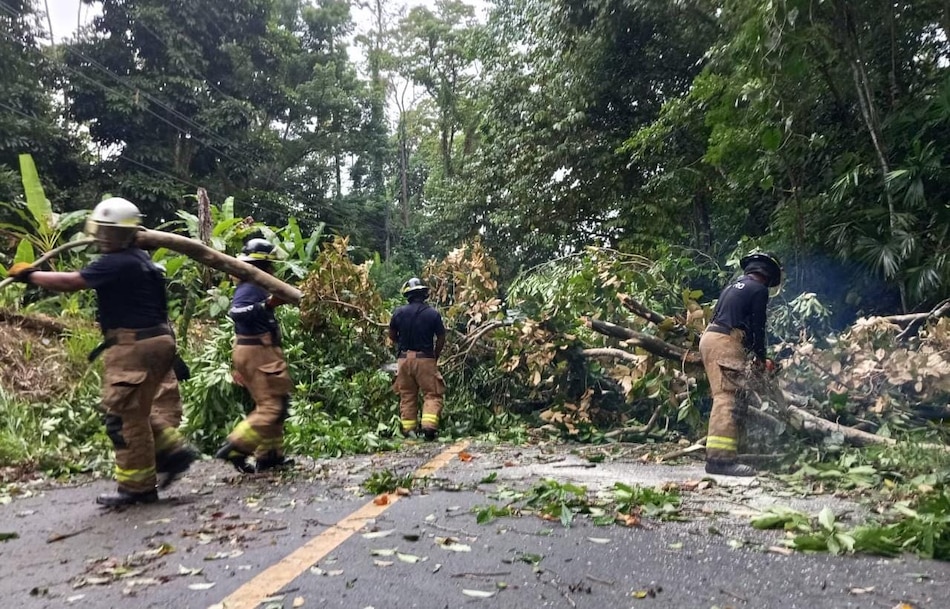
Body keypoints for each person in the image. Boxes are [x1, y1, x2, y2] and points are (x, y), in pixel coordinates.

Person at [7, 197, 197, 506]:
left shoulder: (117, 261)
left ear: (124, 234)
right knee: (136, 411)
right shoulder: (142, 260)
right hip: (159, 341)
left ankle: (137, 488)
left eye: (110, 232)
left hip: (134, 345)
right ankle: (173, 452)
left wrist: (30, 275)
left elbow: (72, 281)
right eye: (102, 231)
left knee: (122, 417)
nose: (103, 238)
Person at [699, 252, 782, 477]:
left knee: (739, 396)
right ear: (768, 275)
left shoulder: (733, 286)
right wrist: (761, 358)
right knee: (728, 396)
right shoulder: (759, 289)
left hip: (712, 337)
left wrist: (752, 354)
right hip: (725, 341)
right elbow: (758, 326)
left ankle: (735, 451)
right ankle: (719, 460)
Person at [215, 238, 294, 473]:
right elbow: (237, 312)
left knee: (275, 403)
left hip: (258, 351)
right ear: (264, 265)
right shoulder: (250, 286)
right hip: (258, 352)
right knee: (273, 407)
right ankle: (237, 446)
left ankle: (270, 457)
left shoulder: (255, 284)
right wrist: (268, 305)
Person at [388, 277, 446, 440]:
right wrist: (435, 356)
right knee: (432, 393)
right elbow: (441, 337)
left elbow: (392, 336)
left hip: (403, 360)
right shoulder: (433, 314)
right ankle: (428, 427)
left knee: (407, 394)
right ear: (424, 294)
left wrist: (403, 346)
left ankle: (409, 430)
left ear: (407, 295)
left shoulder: (398, 313)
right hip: (425, 359)